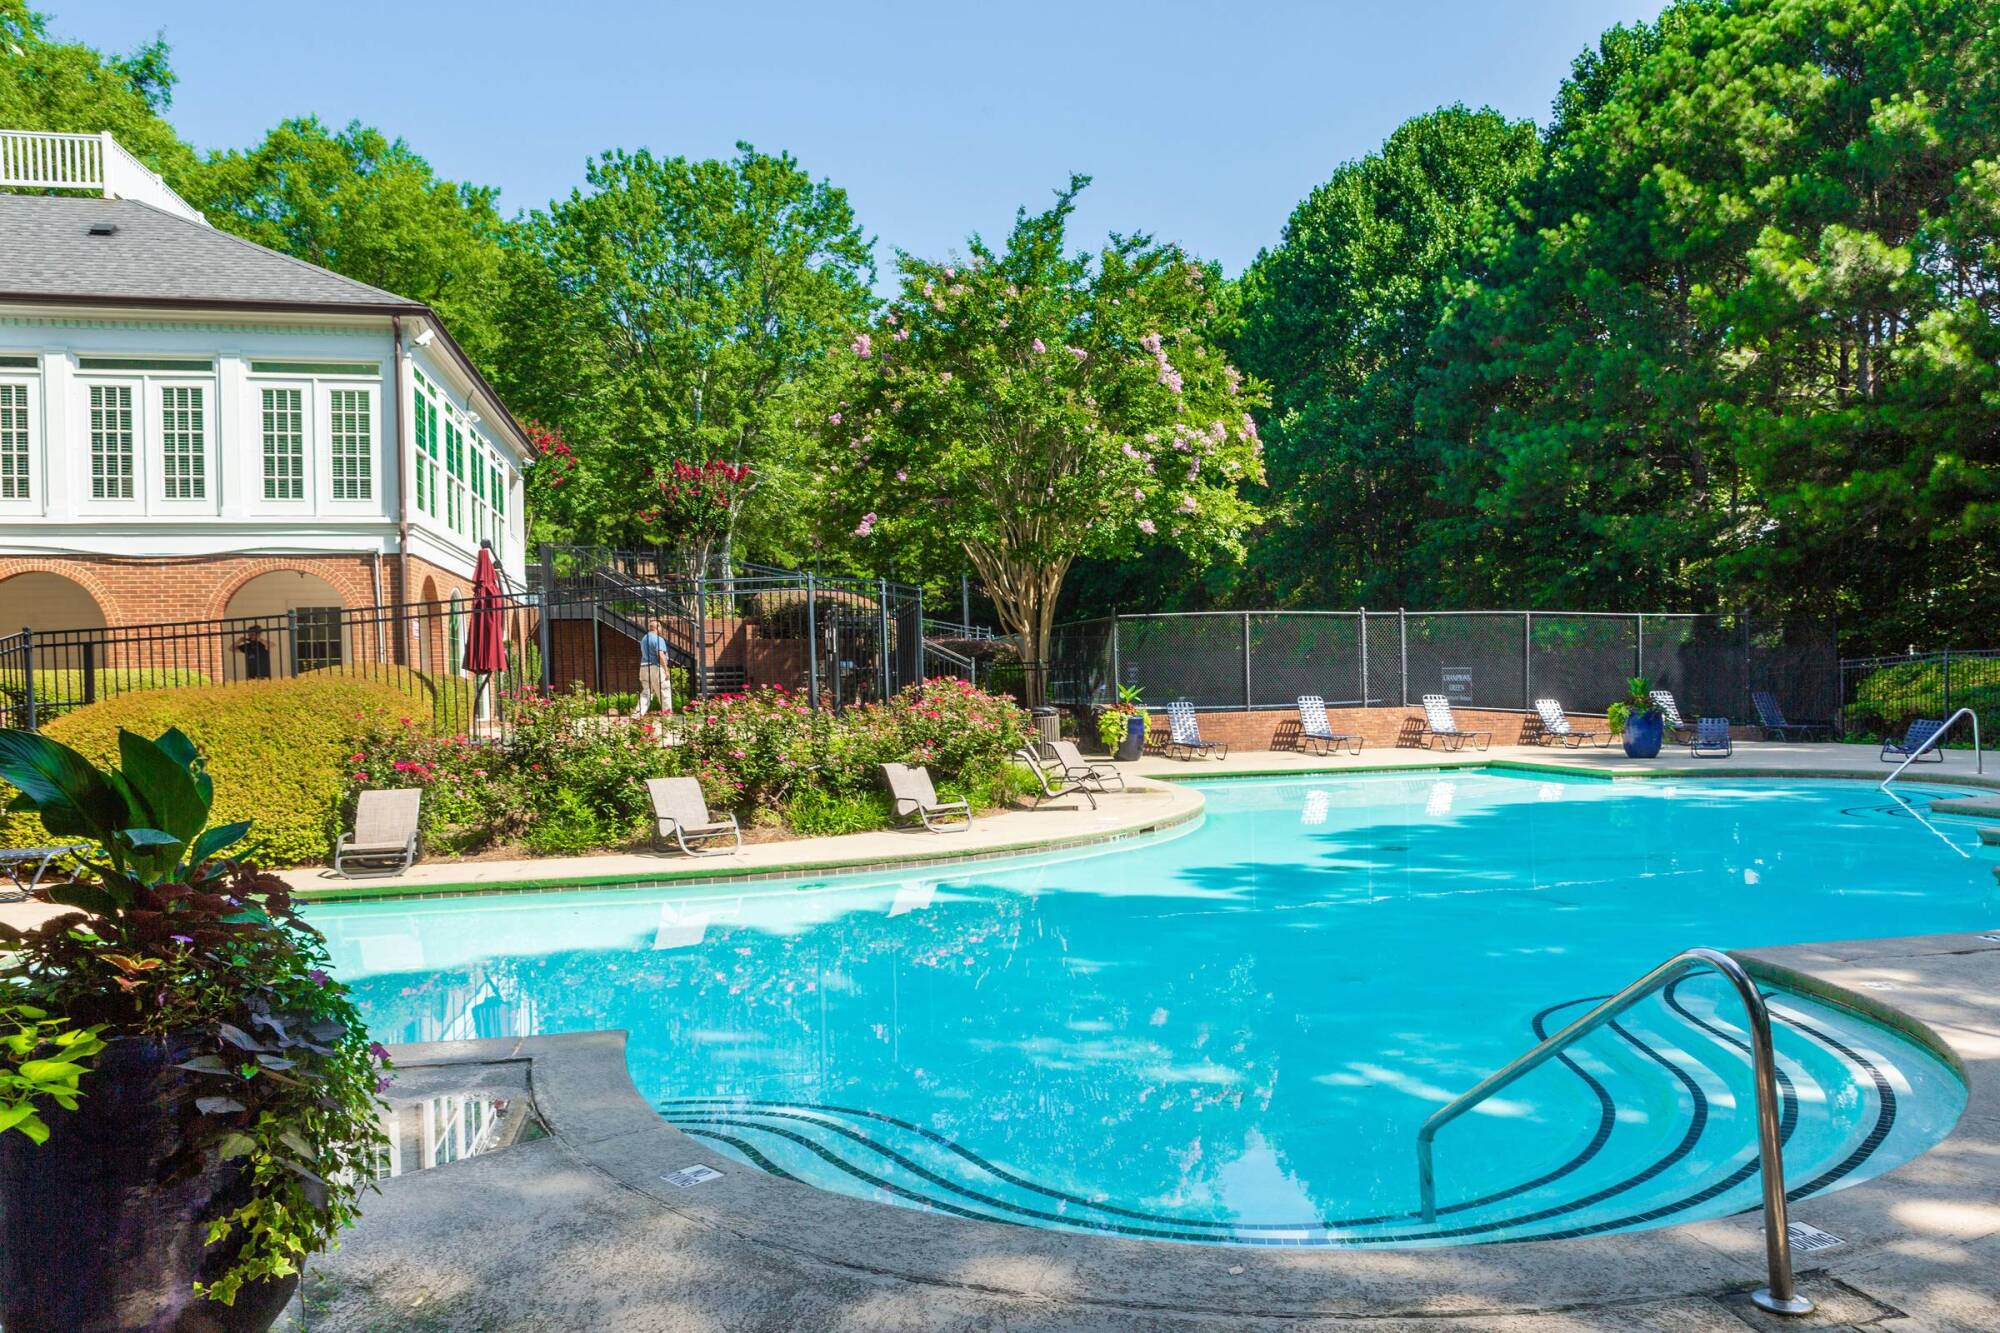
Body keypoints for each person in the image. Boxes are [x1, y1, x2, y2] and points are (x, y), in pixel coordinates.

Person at [635, 620, 673, 717]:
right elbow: (660, 655)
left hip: (643, 667)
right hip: (655, 668)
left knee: (646, 693)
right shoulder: (658, 639)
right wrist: (666, 670)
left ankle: (637, 715)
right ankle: (667, 718)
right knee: (664, 693)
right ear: (657, 628)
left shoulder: (644, 639)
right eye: (660, 628)